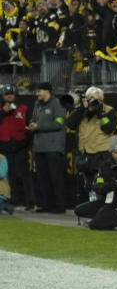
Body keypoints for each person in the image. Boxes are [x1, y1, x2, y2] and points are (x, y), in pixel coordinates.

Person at [74, 135, 117, 232]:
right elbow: (97, 185)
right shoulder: (105, 166)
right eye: (115, 152)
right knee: (79, 210)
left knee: (94, 225)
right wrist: (112, 185)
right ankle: (104, 218)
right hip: (107, 200)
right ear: (111, 152)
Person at [65, 86, 117, 202]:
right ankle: (92, 213)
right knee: (88, 187)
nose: (94, 102)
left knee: (101, 187)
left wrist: (100, 113)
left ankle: (102, 213)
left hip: (102, 157)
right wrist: (81, 109)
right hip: (85, 157)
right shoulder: (81, 111)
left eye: (98, 100)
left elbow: (109, 128)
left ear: (102, 101)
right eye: (91, 99)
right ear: (86, 100)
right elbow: (70, 124)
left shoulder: (109, 111)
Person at [27, 82, 66, 214]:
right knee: (42, 178)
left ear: (47, 91)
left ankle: (59, 206)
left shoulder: (58, 104)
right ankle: (46, 205)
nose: (37, 94)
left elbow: (59, 124)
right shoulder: (37, 104)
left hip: (54, 147)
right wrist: (32, 124)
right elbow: (33, 119)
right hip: (39, 147)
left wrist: (39, 127)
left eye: (39, 91)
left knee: (55, 178)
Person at [0, 83, 35, 210]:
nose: (9, 97)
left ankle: (30, 202)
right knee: (9, 176)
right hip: (4, 148)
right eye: (6, 94)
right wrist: (3, 112)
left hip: (21, 147)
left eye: (11, 94)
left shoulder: (25, 108)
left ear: (15, 95)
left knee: (25, 175)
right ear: (3, 96)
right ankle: (13, 201)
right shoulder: (1, 109)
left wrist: (27, 143)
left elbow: (31, 126)